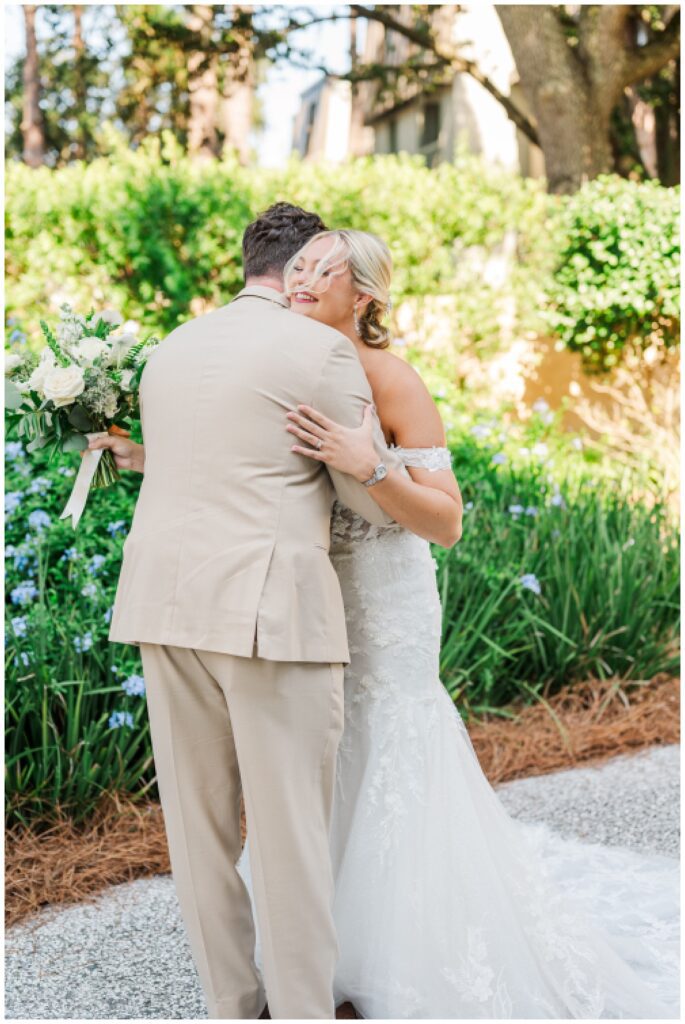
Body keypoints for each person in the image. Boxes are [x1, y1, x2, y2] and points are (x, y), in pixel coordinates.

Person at [96, 226, 678, 1020]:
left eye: (323, 268)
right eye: (297, 264)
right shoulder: (271, 359)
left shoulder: (386, 377)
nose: (301, 279)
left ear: (362, 294)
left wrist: (365, 462)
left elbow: (444, 522)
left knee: (361, 782)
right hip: (291, 612)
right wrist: (138, 454)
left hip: (369, 606)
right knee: (309, 806)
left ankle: (371, 967)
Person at [100, 202, 410, 1021]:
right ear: (305, 261)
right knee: (291, 840)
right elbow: (372, 509)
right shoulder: (318, 353)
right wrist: (376, 464)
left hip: (163, 609)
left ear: (247, 260)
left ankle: (234, 1010)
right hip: (270, 618)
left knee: (199, 838)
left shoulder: (171, 349)